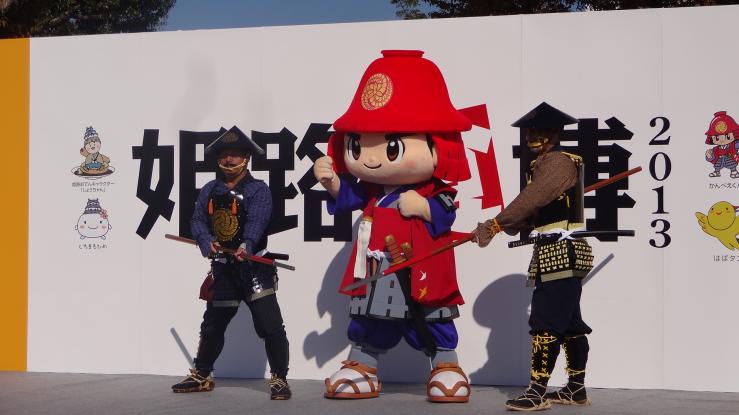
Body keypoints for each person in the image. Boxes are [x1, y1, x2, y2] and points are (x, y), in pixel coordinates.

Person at [314, 50, 472, 403]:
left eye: (391, 147)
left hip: (421, 267)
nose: (370, 158)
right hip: (377, 267)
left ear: (438, 143)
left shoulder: (434, 190)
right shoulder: (372, 190)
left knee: (432, 316)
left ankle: (445, 364)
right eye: (358, 145)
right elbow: (348, 197)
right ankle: (363, 365)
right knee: (371, 317)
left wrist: (425, 207)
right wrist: (331, 182)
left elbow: (446, 213)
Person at [473, 102, 594, 411]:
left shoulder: (557, 163)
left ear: (552, 134)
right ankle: (576, 389)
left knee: (545, 322)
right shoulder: (548, 165)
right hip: (557, 251)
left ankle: (537, 391)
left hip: (560, 251)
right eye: (528, 132)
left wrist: (496, 224)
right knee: (570, 323)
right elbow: (533, 211)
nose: (529, 137)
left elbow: (531, 199)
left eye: (536, 131)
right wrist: (500, 226)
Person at [171, 126, 291, 400]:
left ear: (246, 158)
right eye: (224, 154)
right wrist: (205, 240)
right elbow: (197, 220)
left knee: (270, 324)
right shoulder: (209, 190)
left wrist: (247, 244)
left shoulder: (258, 190)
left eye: (235, 154)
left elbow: (258, 220)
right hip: (224, 267)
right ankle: (202, 375)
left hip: (253, 268)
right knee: (213, 324)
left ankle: (279, 378)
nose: (229, 160)